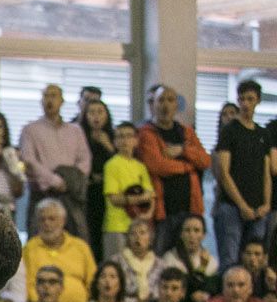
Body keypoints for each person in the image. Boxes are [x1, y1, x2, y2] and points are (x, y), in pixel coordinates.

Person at [136, 84, 211, 248]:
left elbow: (205, 161)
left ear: (176, 105)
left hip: (189, 207)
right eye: (161, 100)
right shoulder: (145, 133)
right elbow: (157, 165)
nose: (165, 105)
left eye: (170, 100)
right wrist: (188, 167)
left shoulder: (187, 132)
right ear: (152, 105)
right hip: (163, 212)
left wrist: (183, 150)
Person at [213, 79, 273, 272]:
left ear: (257, 101)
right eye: (242, 99)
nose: (246, 104)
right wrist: (241, 205)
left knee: (255, 263)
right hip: (232, 207)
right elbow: (224, 172)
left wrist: (267, 203)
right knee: (230, 259)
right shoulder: (230, 131)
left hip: (258, 210)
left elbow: (266, 173)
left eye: (250, 99)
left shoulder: (262, 134)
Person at [18, 85, 91, 239]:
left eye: (53, 96)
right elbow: (29, 160)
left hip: (70, 195)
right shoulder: (30, 129)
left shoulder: (75, 130)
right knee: (38, 240)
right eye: (46, 96)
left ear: (62, 101)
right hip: (42, 194)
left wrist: (71, 181)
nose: (49, 100)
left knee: (76, 240)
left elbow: (85, 159)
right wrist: (54, 180)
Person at [23, 199, 97, 302]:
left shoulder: (81, 247)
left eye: (52, 219)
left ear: (63, 221)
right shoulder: (29, 249)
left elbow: (93, 282)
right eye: (42, 219)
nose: (46, 223)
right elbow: (26, 285)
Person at [100, 122, 154, 261]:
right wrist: (139, 199)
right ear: (115, 141)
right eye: (120, 137)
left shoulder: (140, 166)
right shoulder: (111, 165)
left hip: (138, 228)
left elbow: (150, 195)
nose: (125, 140)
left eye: (129, 136)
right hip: (116, 227)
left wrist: (147, 215)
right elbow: (114, 199)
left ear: (136, 140)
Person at [79, 97, 117, 262]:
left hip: (107, 194)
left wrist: (108, 145)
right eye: (91, 112)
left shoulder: (113, 136)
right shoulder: (79, 136)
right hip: (86, 194)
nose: (96, 116)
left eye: (100, 112)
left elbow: (120, 162)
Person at [159, 213, 219, 302]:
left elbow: (213, 290)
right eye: (187, 230)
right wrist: (202, 267)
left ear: (203, 235)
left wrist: (205, 295)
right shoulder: (170, 258)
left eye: (196, 230)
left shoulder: (212, 261)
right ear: (181, 234)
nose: (192, 235)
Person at [117, 216, 162, 302]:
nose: (138, 237)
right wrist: (136, 301)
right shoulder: (117, 262)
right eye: (133, 233)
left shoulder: (161, 264)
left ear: (150, 239)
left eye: (142, 233)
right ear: (128, 239)